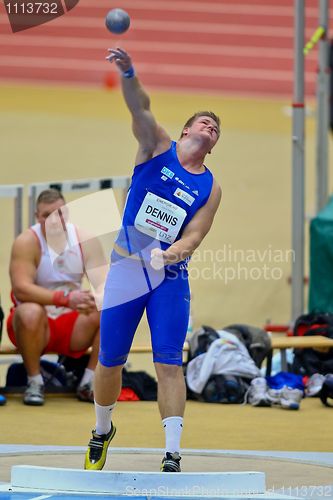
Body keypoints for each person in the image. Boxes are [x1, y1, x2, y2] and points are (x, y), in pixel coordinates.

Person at [84, 47, 222, 472]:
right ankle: (102, 430)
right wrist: (128, 72)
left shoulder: (210, 188)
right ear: (184, 131)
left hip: (169, 277)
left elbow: (195, 236)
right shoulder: (155, 146)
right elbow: (139, 106)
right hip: (126, 270)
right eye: (204, 121)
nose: (211, 126)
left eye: (216, 129)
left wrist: (171, 253)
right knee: (110, 360)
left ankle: (172, 452)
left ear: (212, 147)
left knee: (169, 362)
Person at [7, 188, 102, 406]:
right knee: (29, 311)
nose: (54, 220)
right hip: (34, 326)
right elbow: (21, 289)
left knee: (110, 308)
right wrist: (65, 299)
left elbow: (104, 283)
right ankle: (34, 381)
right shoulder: (27, 242)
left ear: (67, 212)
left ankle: (89, 382)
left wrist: (95, 297)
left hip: (71, 323)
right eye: (46, 215)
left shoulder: (84, 239)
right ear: (37, 217)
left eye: (59, 213)